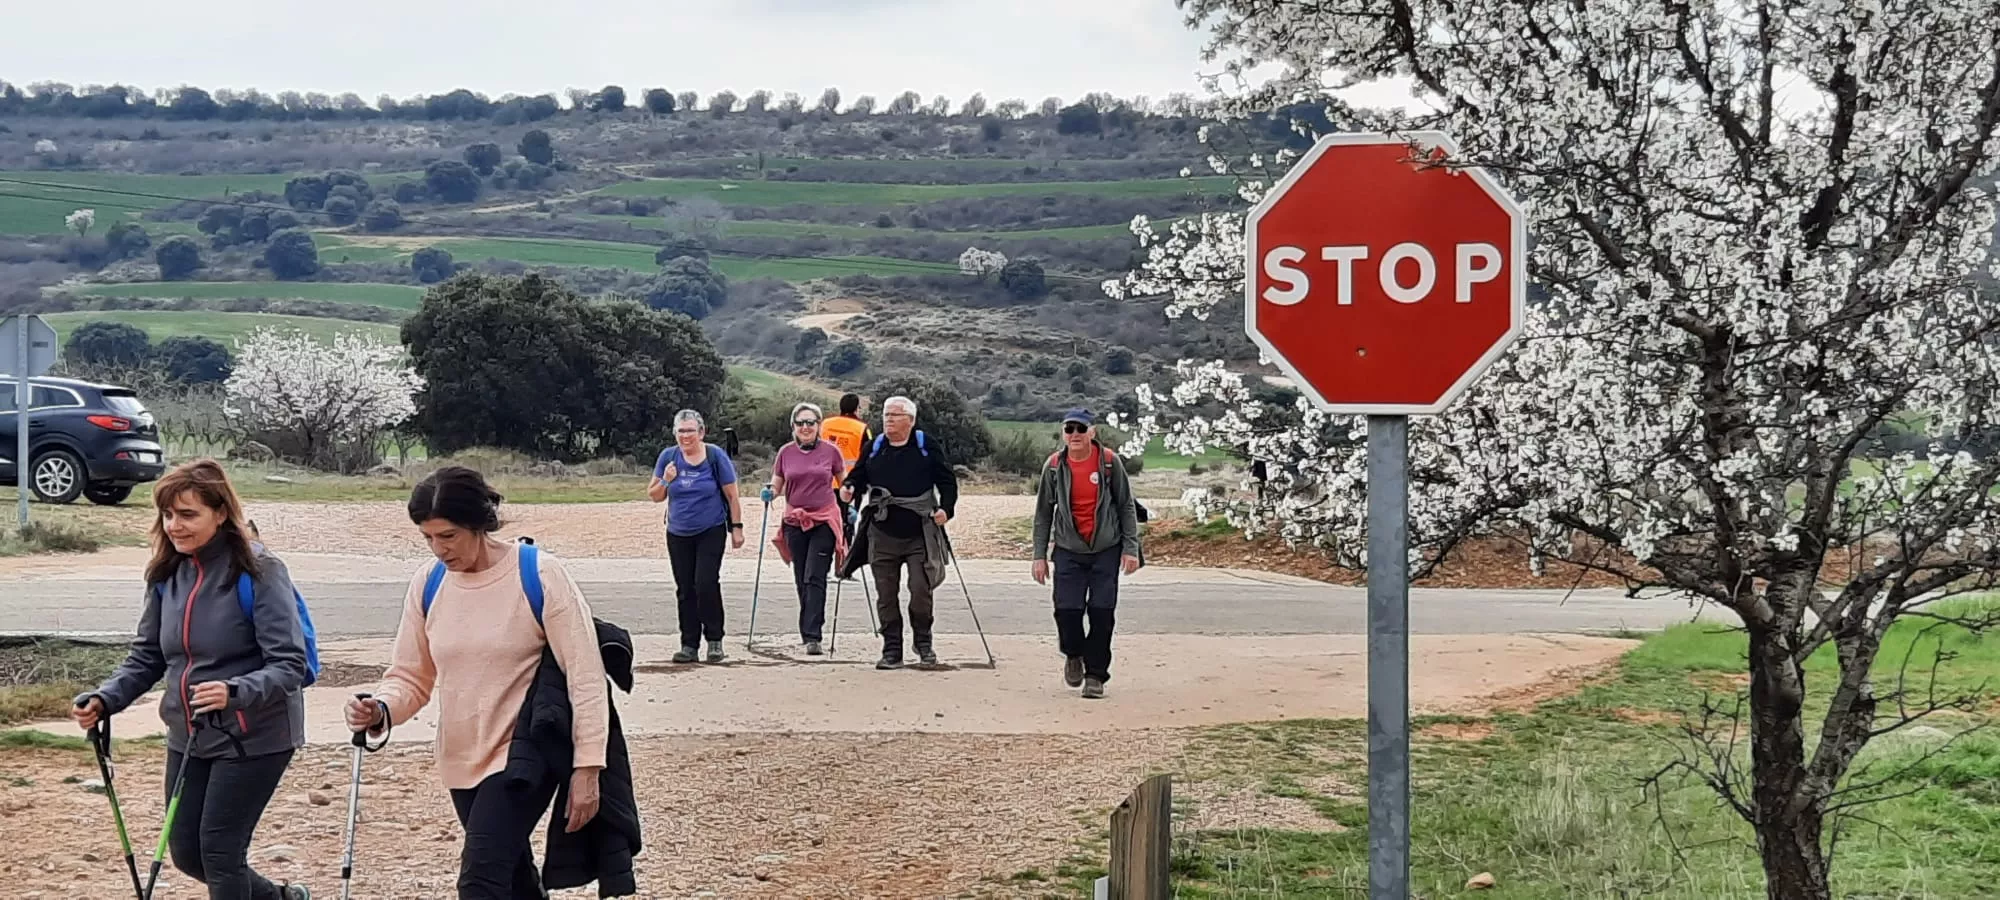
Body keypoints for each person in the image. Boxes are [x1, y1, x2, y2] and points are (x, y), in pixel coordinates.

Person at [343, 466, 636, 899]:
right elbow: (410, 675)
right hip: (461, 756)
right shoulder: (429, 583)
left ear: (479, 524)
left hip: (525, 752)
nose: (439, 549)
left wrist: (588, 767)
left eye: (448, 536)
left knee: (479, 881)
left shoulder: (539, 574)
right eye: (428, 538)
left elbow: (586, 676)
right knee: (513, 879)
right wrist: (380, 709)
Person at [72, 459, 314, 900]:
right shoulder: (166, 573)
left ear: (220, 513)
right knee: (187, 854)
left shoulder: (259, 571)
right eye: (167, 514)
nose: (174, 526)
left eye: (187, 514)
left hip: (255, 735)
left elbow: (289, 664)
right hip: (189, 734)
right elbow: (148, 655)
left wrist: (234, 691)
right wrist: (106, 699)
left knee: (220, 852)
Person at [839, 395, 958, 669]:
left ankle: (923, 642)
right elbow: (858, 476)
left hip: (920, 531)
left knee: (920, 589)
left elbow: (947, 481)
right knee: (886, 594)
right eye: (886, 415)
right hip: (882, 532)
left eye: (895, 415)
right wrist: (849, 487)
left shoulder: (925, 445)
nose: (888, 420)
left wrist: (946, 509)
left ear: (911, 420)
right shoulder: (875, 447)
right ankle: (891, 650)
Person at [1030, 409, 1142, 699]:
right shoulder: (1054, 467)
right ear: (1063, 433)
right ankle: (1073, 653)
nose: (1075, 434)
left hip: (1106, 549)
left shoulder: (1109, 462)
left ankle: (1095, 675)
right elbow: (1043, 514)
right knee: (1067, 610)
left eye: (1081, 429)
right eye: (1069, 429)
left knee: (1102, 613)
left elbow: (1126, 506)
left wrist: (1131, 548)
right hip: (1068, 550)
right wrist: (1039, 555)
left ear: (1092, 432)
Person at [646, 410, 746, 663]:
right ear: (675, 433)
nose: (685, 436)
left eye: (690, 430)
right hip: (678, 532)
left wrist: (737, 528)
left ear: (701, 432)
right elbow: (654, 495)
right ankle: (689, 644)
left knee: (706, 583)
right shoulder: (668, 457)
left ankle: (714, 640)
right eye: (681, 431)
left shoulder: (715, 456)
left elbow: (732, 495)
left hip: (710, 529)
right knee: (685, 588)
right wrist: (666, 480)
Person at [769, 401, 849, 655]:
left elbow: (843, 482)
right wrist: (769, 492)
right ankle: (807, 630)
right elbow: (777, 483)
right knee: (801, 576)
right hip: (794, 521)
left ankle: (813, 635)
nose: (805, 427)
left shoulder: (831, 451)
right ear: (793, 426)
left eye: (810, 422)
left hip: (824, 520)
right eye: (800, 423)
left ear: (818, 425)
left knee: (815, 576)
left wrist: (849, 493)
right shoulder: (785, 453)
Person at [820, 393, 873, 540]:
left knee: (823, 520)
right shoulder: (862, 429)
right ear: (856, 409)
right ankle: (844, 546)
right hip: (849, 484)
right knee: (847, 522)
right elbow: (869, 455)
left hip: (823, 481)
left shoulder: (825, 424)